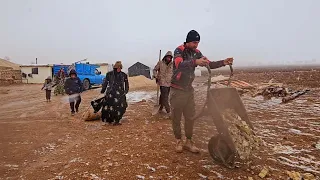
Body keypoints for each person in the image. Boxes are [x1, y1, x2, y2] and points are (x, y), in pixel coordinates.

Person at [170, 30, 234, 153]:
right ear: (188, 41)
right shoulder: (179, 50)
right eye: (194, 42)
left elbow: (208, 63)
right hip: (177, 90)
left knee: (190, 117)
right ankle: (178, 140)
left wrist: (223, 62)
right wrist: (195, 62)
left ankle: (189, 141)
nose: (196, 45)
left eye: (197, 43)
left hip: (189, 90)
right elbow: (179, 64)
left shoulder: (197, 53)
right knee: (176, 117)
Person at [100, 61, 129, 126]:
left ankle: (117, 120)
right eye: (118, 68)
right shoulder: (109, 74)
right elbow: (105, 83)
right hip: (111, 92)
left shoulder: (124, 75)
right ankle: (109, 120)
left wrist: (126, 90)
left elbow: (126, 84)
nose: (119, 69)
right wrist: (103, 90)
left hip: (120, 93)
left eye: (120, 68)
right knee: (109, 107)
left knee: (122, 107)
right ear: (115, 68)